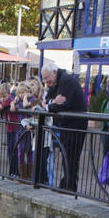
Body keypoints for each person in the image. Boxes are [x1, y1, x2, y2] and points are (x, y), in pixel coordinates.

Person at [42, 60, 88, 192]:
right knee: (67, 156)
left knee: (71, 157)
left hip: (75, 125)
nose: (46, 82)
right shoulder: (57, 82)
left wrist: (51, 105)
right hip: (67, 125)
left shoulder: (66, 81)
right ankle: (66, 184)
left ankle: (69, 186)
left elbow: (61, 105)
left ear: (54, 72)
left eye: (47, 78)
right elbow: (48, 102)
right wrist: (51, 103)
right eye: (44, 79)